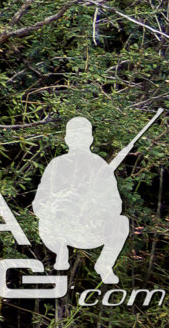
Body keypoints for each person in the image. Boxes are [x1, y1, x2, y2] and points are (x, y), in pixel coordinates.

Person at [35, 115, 136, 283]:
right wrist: (62, 204)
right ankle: (61, 253)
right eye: (74, 136)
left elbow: (115, 206)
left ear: (90, 139)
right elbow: (39, 204)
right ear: (66, 138)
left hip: (89, 228)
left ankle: (104, 265)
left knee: (121, 223)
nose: (78, 140)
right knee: (46, 220)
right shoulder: (56, 165)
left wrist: (93, 203)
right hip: (60, 229)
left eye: (82, 136)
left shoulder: (99, 165)